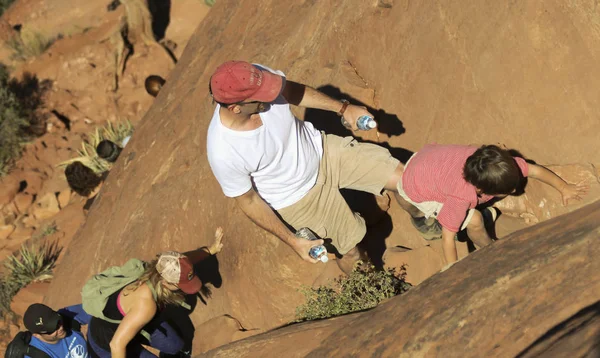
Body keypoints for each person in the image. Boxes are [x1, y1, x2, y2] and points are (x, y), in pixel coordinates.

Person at [206, 60, 404, 275]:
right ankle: (379, 296)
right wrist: (292, 241)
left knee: (403, 178)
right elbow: (249, 200)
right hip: (296, 198)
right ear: (236, 108)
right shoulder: (223, 150)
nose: (270, 95)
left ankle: (429, 223)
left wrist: (344, 108)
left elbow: (291, 91)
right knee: (351, 253)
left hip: (322, 151)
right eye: (260, 97)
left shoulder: (256, 76)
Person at [394, 144, 589, 266]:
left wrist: (565, 188)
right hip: (415, 186)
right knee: (476, 221)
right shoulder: (461, 196)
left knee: (469, 213)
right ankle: (489, 250)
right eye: (508, 191)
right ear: (481, 190)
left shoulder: (493, 164)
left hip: (428, 158)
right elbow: (447, 238)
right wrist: (451, 271)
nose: (515, 191)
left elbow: (534, 171)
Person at [86, 227, 224, 358]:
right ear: (165, 283)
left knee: (175, 346)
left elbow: (185, 262)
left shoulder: (164, 267)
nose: (185, 287)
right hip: (106, 341)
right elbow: (116, 345)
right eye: (180, 284)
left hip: (133, 322)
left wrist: (211, 249)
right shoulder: (146, 306)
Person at [21, 303, 89, 358]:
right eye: (53, 328)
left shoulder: (66, 316)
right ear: (37, 335)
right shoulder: (36, 354)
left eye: (58, 321)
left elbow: (96, 309)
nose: (60, 327)